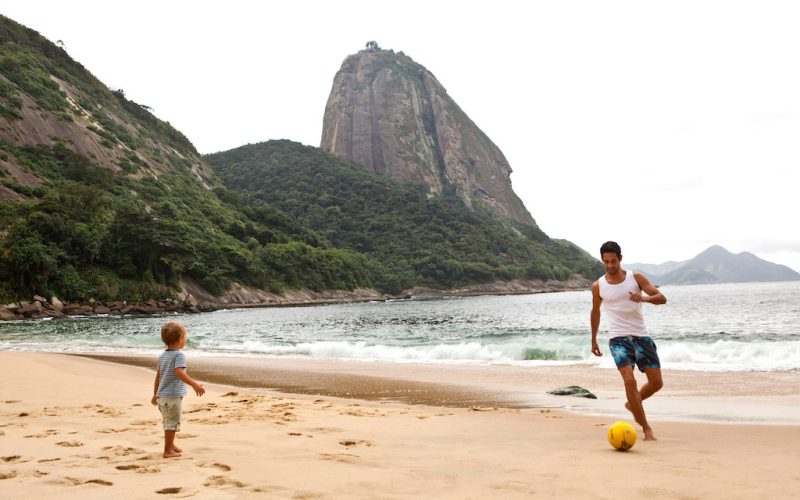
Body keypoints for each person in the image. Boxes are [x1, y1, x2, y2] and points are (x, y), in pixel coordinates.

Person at [590, 241, 666, 441]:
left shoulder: (635, 278)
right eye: (606, 262)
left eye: (613, 261)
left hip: (641, 336)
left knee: (656, 383)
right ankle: (646, 429)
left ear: (620, 259)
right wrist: (593, 340)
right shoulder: (598, 286)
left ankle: (633, 403)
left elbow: (661, 298)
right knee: (629, 380)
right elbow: (595, 312)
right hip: (618, 338)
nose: (610, 265)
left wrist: (643, 299)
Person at [151, 321, 205, 458]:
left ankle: (171, 445)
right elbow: (179, 372)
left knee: (168, 421)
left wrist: (155, 394)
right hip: (172, 397)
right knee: (172, 423)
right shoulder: (179, 355)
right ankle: (167, 450)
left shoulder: (162, 356)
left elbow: (158, 376)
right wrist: (194, 384)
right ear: (181, 339)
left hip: (162, 397)